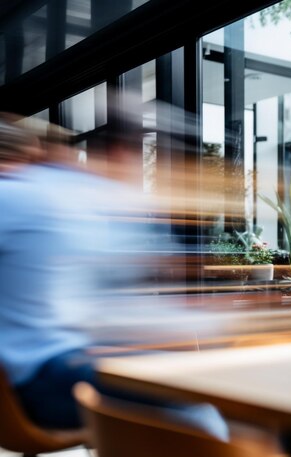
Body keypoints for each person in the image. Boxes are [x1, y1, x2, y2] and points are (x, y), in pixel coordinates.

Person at [0, 108, 229, 440]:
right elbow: (101, 311)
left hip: (37, 375)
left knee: (185, 387)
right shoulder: (34, 197)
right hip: (41, 380)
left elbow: (96, 308)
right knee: (192, 393)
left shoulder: (49, 200)